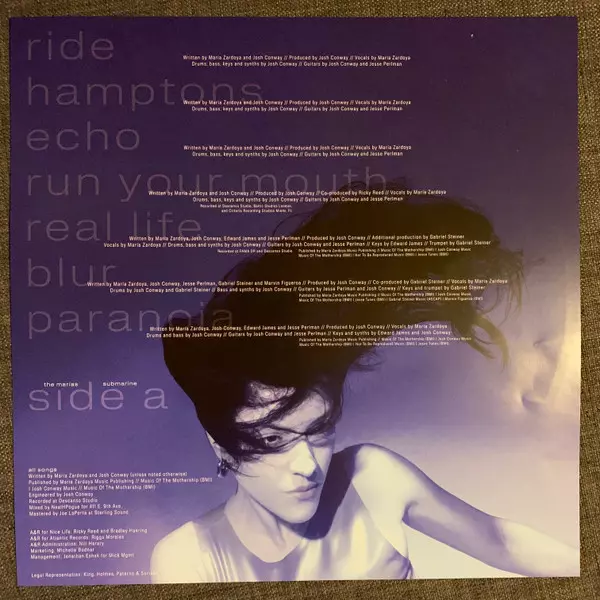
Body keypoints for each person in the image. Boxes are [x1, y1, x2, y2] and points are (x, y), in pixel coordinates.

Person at [151, 182, 579, 582]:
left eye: (319, 430)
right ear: (220, 444)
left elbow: (501, 541)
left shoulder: (370, 478)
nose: (307, 466)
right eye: (274, 439)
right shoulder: (188, 557)